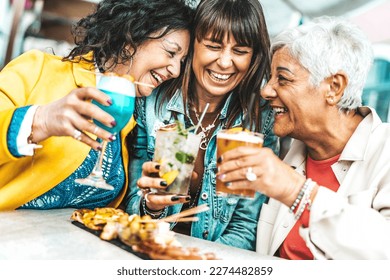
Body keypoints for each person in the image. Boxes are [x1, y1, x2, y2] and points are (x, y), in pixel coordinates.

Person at [216, 16, 390, 259]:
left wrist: (297, 192)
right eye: (270, 78)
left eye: (283, 79)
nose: (266, 91)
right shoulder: (290, 153)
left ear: (334, 88)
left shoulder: (385, 152)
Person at [0, 0, 194, 211]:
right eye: (170, 52)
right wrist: (40, 121)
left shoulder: (133, 114)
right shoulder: (37, 69)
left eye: (182, 62)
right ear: (132, 35)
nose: (175, 70)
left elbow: (130, 206)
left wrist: (152, 205)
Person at [126, 0, 279, 251]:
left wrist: (194, 264)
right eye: (213, 46)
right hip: (148, 251)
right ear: (193, 45)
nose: (225, 62)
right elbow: (132, 202)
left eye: (240, 51)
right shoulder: (154, 102)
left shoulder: (258, 120)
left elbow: (245, 227)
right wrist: (151, 206)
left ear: (254, 57)